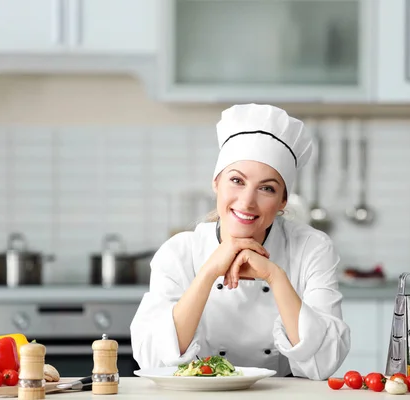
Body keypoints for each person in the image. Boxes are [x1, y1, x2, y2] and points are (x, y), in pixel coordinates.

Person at [130, 104, 350, 380]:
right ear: (216, 183)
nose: (247, 201)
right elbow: (155, 359)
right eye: (236, 180)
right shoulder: (178, 253)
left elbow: (323, 362)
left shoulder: (311, 248)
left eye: (266, 188)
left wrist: (274, 275)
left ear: (283, 202)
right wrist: (208, 273)